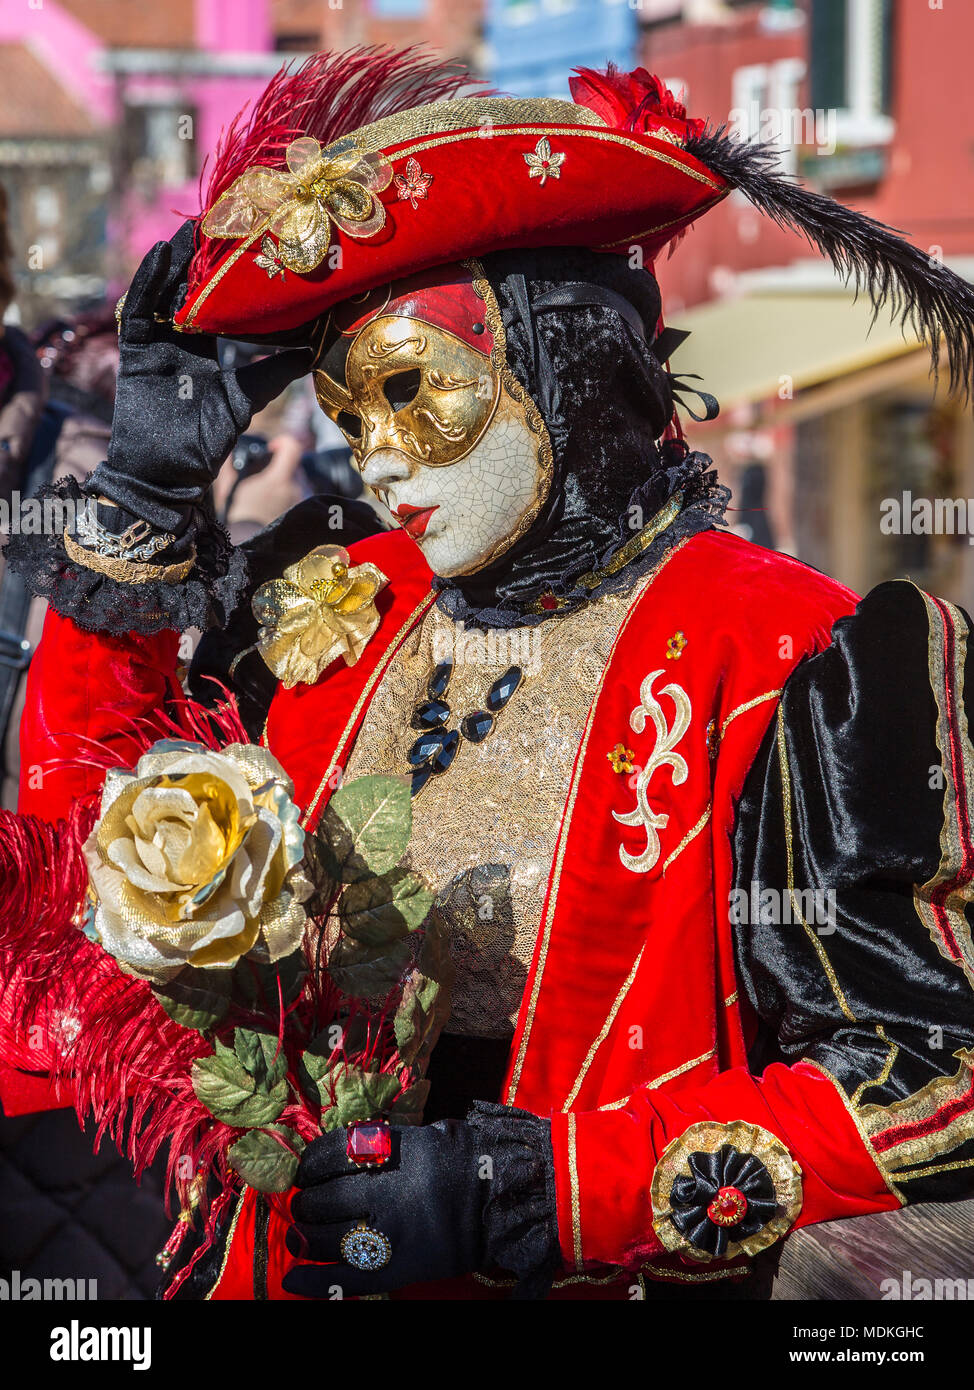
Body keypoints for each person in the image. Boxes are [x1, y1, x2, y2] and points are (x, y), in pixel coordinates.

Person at [4, 49, 974, 1301]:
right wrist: (146, 492)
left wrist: (543, 1189)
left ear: (558, 366)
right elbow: (79, 846)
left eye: (417, 394)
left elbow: (929, 1076)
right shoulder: (334, 597)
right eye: (352, 421)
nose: (383, 464)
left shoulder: (787, 653)